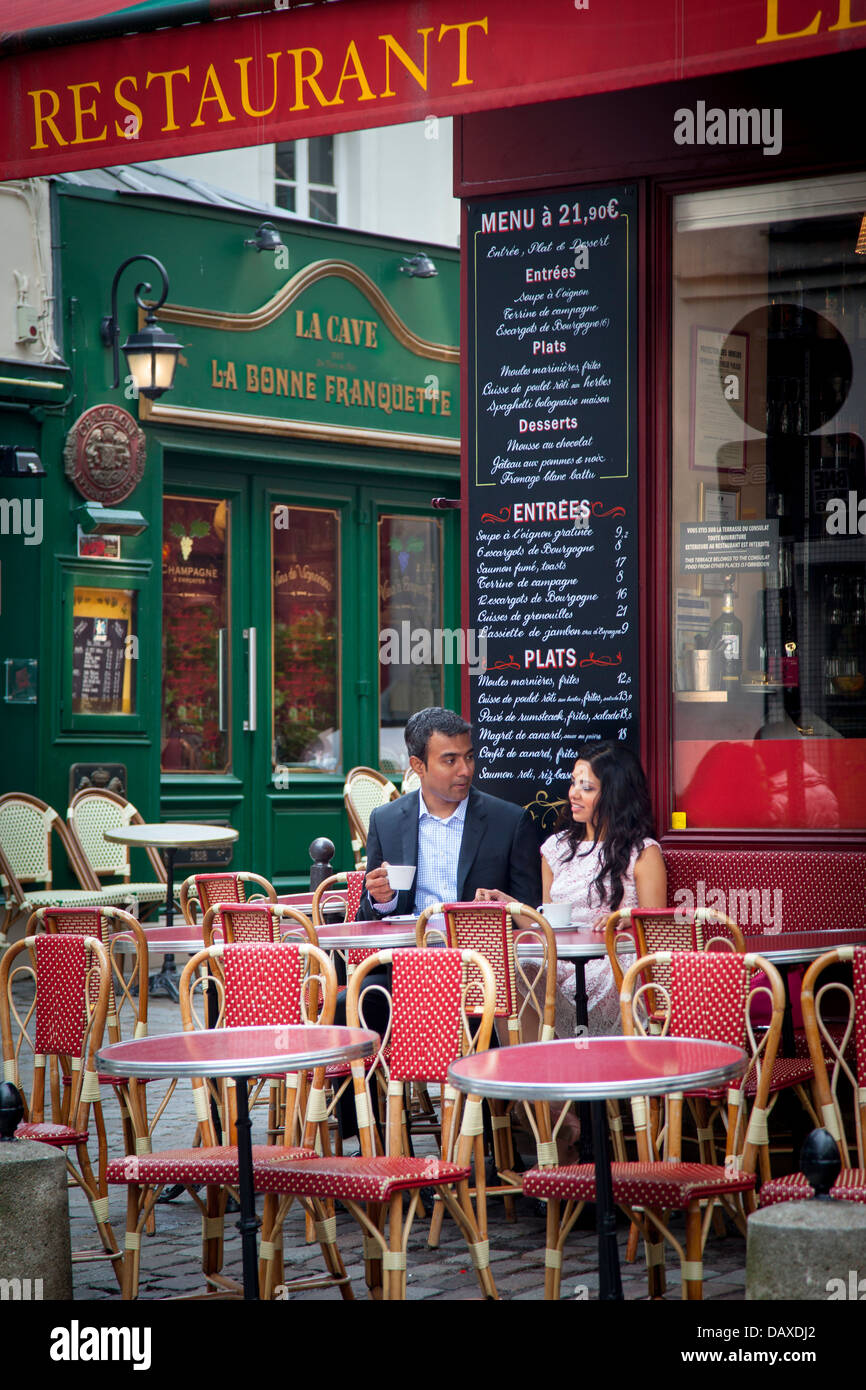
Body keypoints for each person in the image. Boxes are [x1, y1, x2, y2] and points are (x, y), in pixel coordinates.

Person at [535, 740, 666, 1038]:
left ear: (615, 794)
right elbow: (546, 922)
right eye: (572, 783)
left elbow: (658, 930)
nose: (573, 794)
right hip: (561, 959)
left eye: (587, 787)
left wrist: (630, 918)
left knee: (607, 978)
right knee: (521, 968)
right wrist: (508, 904)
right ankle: (537, 1071)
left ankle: (603, 1069)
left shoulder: (643, 852)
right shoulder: (554, 849)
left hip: (615, 963)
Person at [359, 707, 542, 918]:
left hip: (480, 947)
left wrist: (505, 905)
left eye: (470, 757)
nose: (465, 770)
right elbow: (365, 917)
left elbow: (532, 916)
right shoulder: (385, 822)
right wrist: (382, 900)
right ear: (418, 766)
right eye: (450, 760)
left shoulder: (509, 822)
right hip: (411, 948)